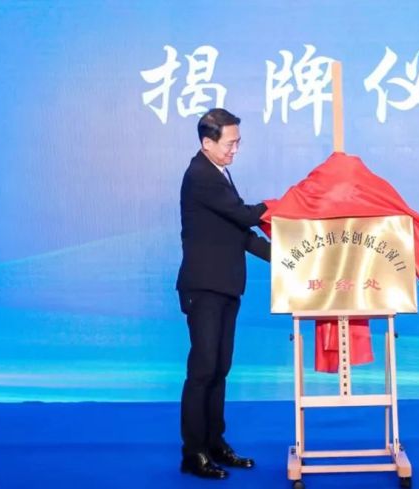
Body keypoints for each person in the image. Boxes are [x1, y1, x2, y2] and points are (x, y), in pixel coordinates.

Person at [176, 108, 271, 479]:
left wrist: (288, 257)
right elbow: (245, 216)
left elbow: (239, 232)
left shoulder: (219, 173)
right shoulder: (200, 175)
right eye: (230, 143)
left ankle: (215, 443)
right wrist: (281, 205)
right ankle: (194, 453)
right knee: (203, 371)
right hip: (204, 289)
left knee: (219, 369)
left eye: (238, 142)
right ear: (207, 142)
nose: (235, 150)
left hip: (225, 286)